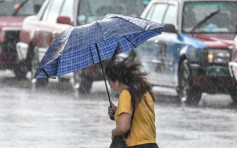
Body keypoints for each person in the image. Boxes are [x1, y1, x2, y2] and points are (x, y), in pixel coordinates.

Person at [105, 49, 159, 148]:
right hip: (151, 144)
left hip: (135, 144)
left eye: (110, 83)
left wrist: (114, 132)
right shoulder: (144, 92)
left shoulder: (125, 94)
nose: (111, 87)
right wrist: (118, 112)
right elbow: (140, 118)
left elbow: (124, 127)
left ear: (116, 82)